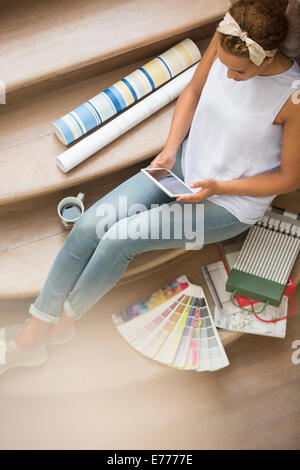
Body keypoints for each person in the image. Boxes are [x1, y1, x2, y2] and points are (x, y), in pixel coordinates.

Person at [1, 0, 299, 375]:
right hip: (181, 170)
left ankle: (59, 324)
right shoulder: (228, 42)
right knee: (92, 225)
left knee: (119, 239)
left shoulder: (293, 94)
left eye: (238, 72)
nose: (227, 75)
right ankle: (39, 323)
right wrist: (170, 149)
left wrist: (218, 186)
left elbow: (289, 179)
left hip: (228, 203)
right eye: (223, 65)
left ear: (266, 58)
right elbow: (191, 93)